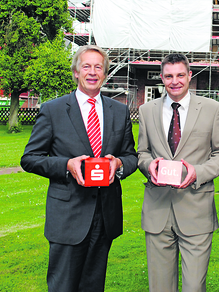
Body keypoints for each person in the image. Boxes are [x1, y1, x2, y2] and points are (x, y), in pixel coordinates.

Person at [21, 45, 138, 292]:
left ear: (105, 74)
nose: (92, 72)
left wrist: (118, 164)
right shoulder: (53, 110)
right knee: (63, 287)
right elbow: (30, 158)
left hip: (105, 215)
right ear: (76, 71)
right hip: (68, 216)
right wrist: (66, 164)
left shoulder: (119, 111)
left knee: (93, 286)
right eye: (86, 66)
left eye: (98, 67)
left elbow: (130, 156)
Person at [137, 53, 219, 292]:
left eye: (180, 75)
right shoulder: (147, 110)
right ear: (161, 78)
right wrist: (149, 166)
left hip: (196, 209)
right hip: (157, 210)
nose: (175, 81)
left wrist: (198, 172)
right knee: (160, 288)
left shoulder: (212, 109)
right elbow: (142, 153)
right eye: (169, 76)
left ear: (190, 76)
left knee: (193, 287)